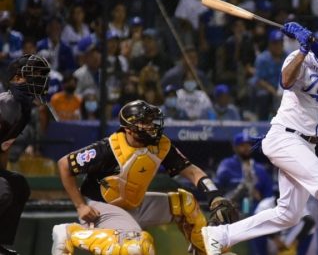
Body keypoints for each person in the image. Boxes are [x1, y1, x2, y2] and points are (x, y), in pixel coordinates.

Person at [201, 18, 318, 255]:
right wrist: (303, 50)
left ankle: (221, 234)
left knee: (289, 215)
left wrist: (311, 42)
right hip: (284, 137)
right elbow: (285, 81)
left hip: (306, 145)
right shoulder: (298, 58)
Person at [51, 100, 238, 255]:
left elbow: (191, 171)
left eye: (152, 121)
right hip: (102, 209)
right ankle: (72, 233)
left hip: (135, 203)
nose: (152, 126)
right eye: (146, 123)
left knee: (186, 204)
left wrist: (215, 194)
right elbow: (64, 164)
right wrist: (80, 205)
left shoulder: (160, 145)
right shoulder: (108, 149)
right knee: (138, 247)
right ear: (130, 129)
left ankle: (205, 251)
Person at [0, 54, 50, 255]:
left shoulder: (22, 108)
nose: (39, 79)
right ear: (17, 78)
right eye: (34, 74)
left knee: (18, 185)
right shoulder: (6, 104)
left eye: (41, 74)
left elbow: (3, 148)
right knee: (2, 189)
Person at [215, 132, 273, 216]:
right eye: (242, 145)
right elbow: (220, 182)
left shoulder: (260, 169)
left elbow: (268, 194)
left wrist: (262, 201)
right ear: (235, 147)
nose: (246, 148)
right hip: (231, 210)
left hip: (255, 212)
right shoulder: (227, 164)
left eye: (248, 145)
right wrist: (247, 186)